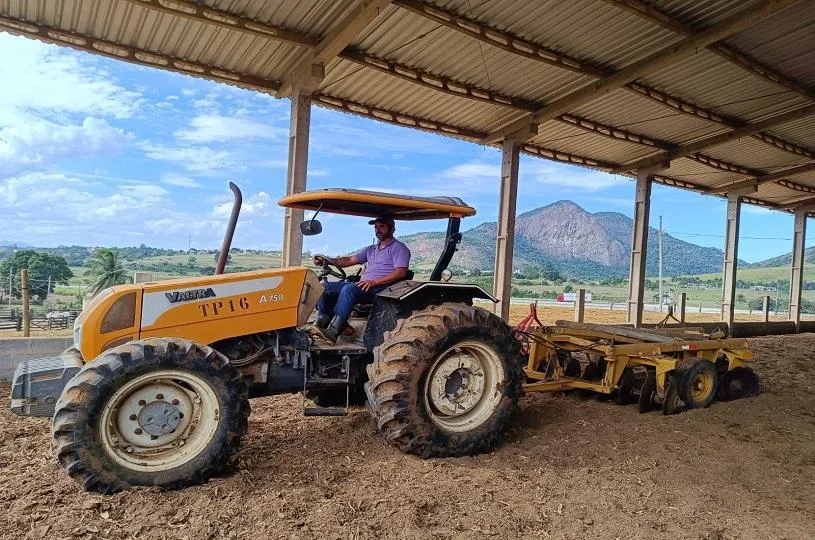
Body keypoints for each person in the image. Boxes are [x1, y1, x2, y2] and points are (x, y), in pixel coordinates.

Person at [311, 216, 411, 343]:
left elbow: (401, 272)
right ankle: (322, 322)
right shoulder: (371, 249)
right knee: (323, 286)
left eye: (382, 227)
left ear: (392, 229)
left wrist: (374, 282)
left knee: (349, 289)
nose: (378, 230)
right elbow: (349, 260)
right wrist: (327, 261)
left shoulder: (399, 248)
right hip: (364, 285)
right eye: (376, 227)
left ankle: (333, 331)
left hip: (382, 288)